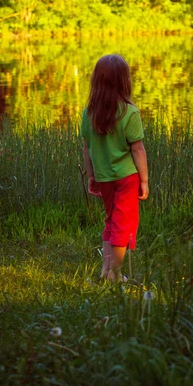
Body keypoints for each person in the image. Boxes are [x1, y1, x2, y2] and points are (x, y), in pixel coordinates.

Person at [81, 54, 149, 282]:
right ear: (124, 81)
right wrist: (145, 181)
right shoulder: (129, 112)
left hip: (104, 177)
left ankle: (105, 270)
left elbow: (87, 148)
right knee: (124, 224)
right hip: (127, 178)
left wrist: (91, 176)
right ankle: (115, 274)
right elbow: (138, 150)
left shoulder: (89, 113)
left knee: (111, 220)